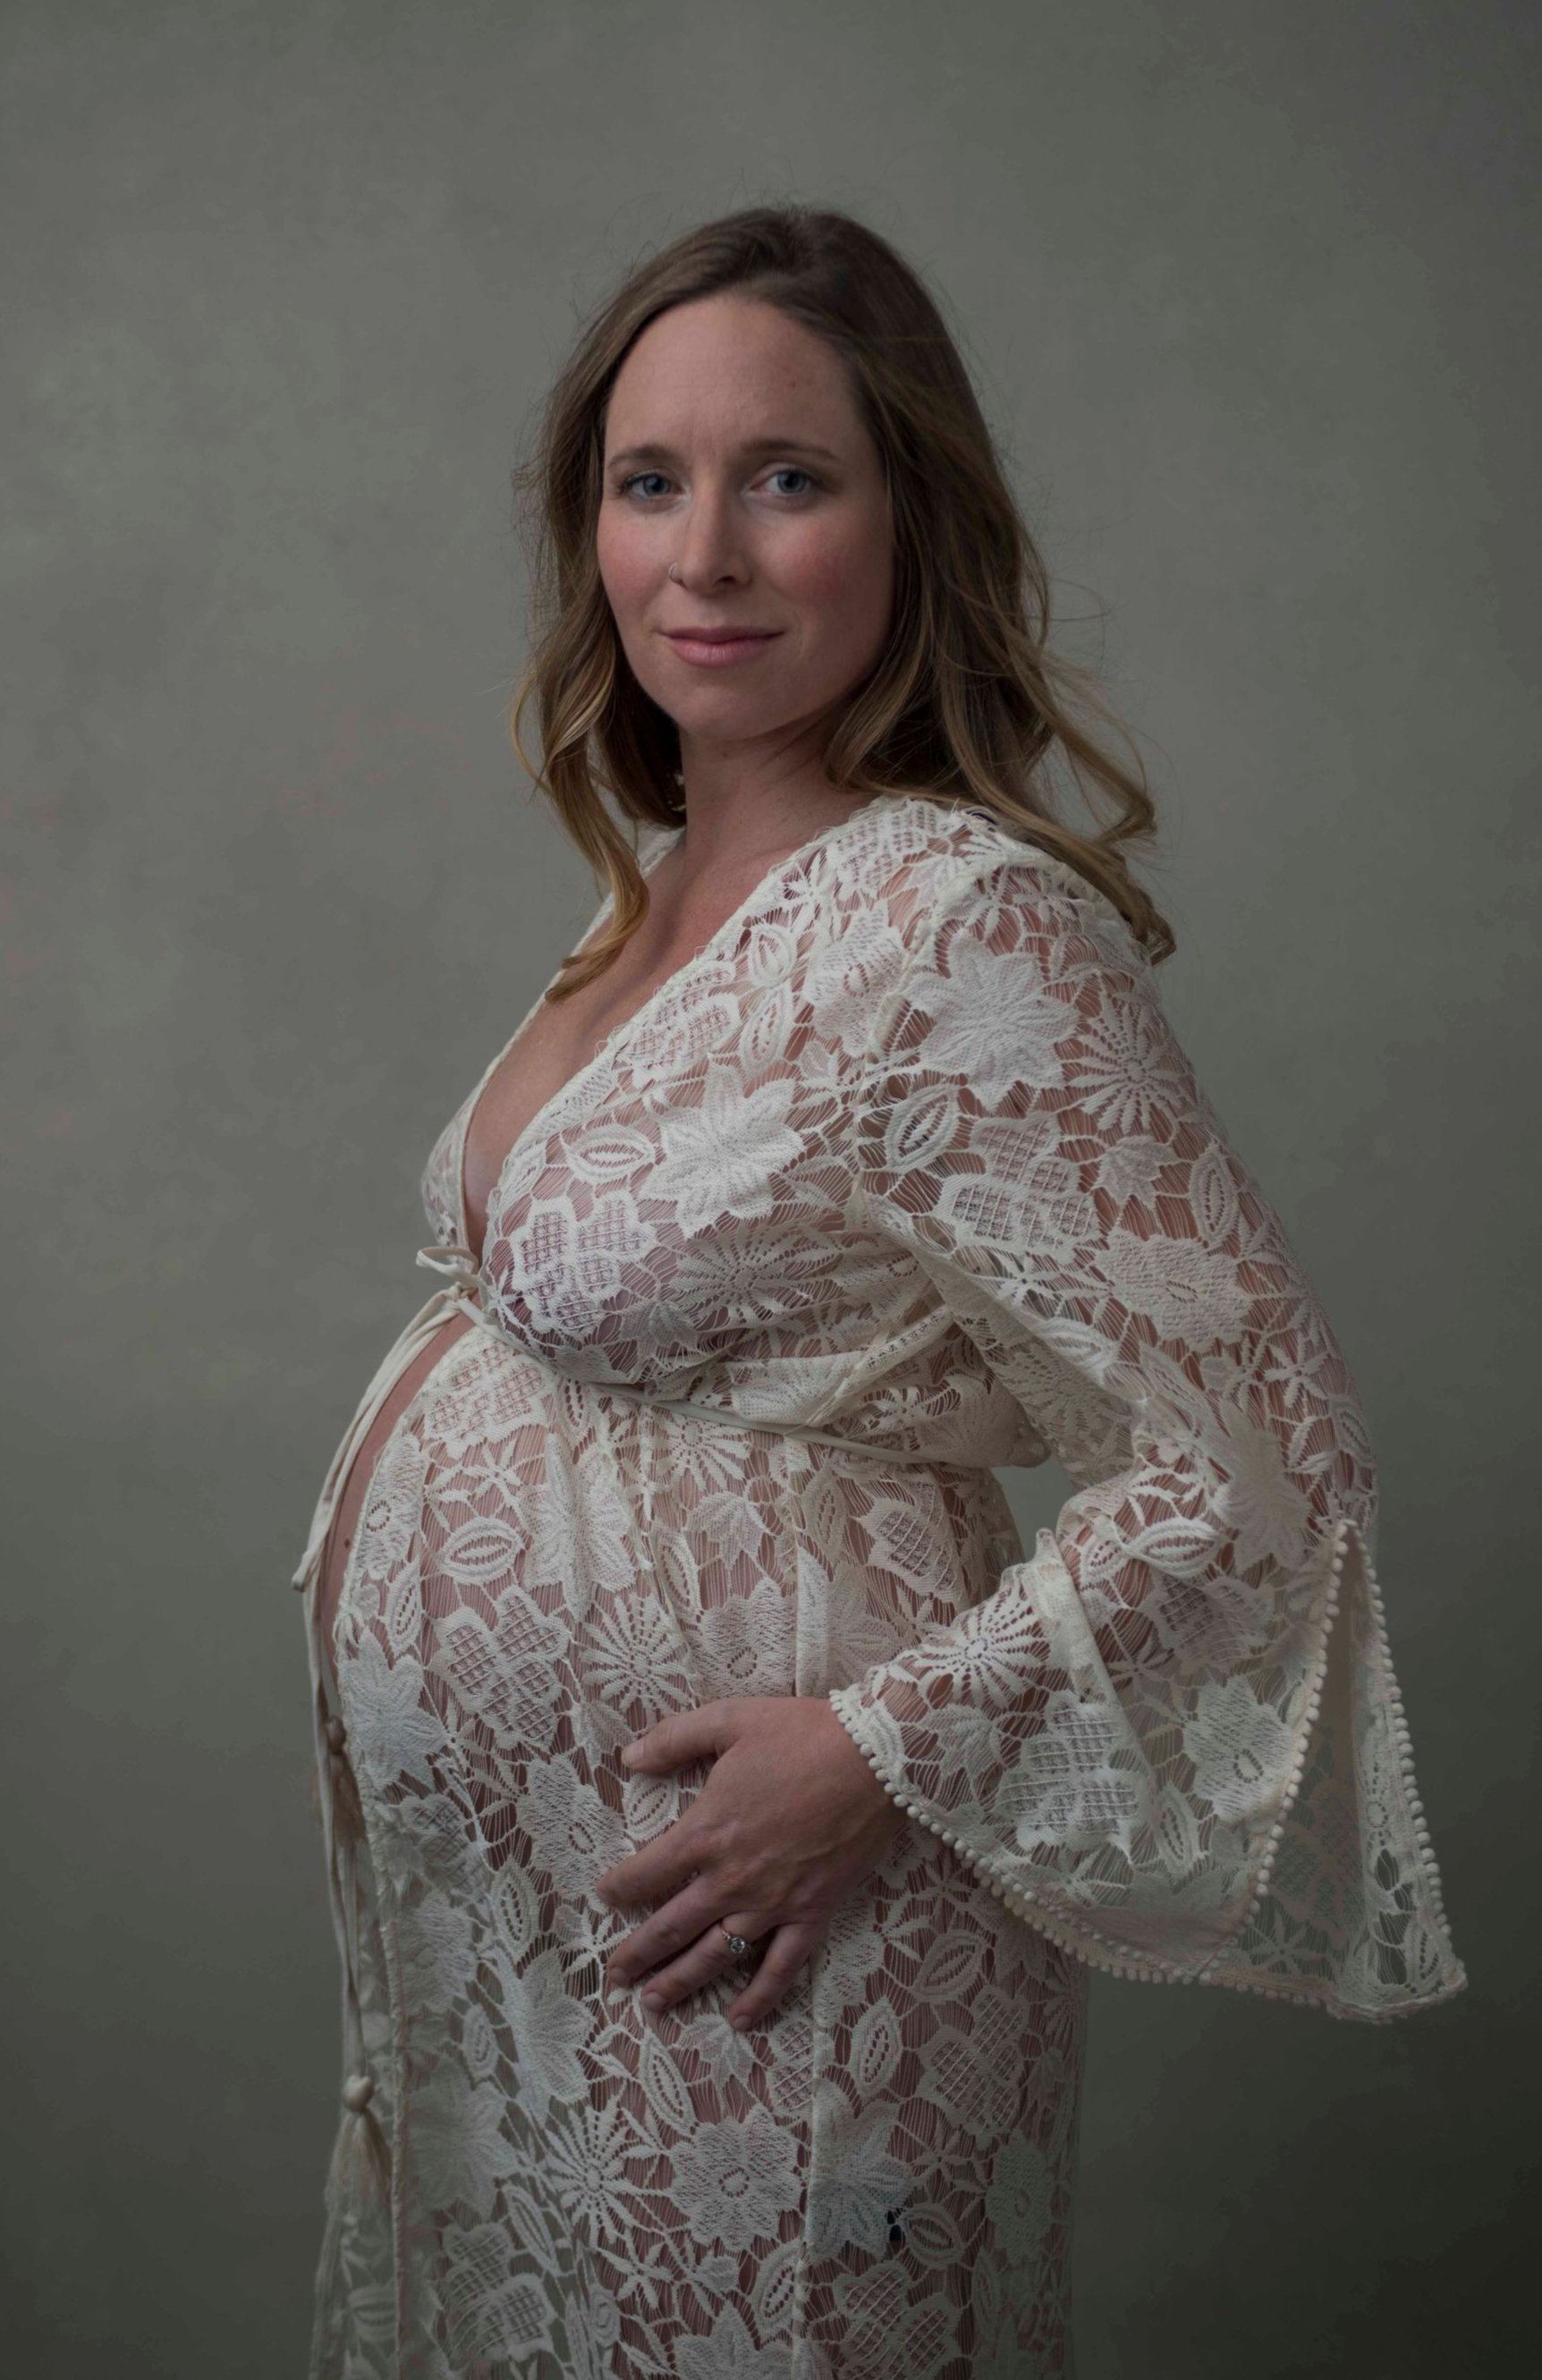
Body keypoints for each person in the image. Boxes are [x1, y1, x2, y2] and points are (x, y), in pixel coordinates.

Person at [289, 204, 1465, 2380]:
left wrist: (875, 1749)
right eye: (650, 483)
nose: (706, 553)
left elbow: (1265, 1459)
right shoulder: (653, 896)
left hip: (782, 1953)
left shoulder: (955, 920)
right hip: (547, 1962)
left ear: (908, 518)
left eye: (788, 479)